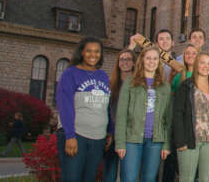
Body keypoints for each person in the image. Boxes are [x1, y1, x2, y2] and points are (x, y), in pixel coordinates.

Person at [56, 37, 113, 182]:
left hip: (98, 138)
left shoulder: (103, 76)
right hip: (77, 135)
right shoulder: (70, 74)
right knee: (71, 178)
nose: (93, 55)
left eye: (97, 51)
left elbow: (106, 107)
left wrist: (109, 132)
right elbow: (65, 105)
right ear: (81, 52)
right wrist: (70, 136)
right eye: (89, 51)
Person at [115, 47, 171, 182]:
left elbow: (167, 119)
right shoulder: (130, 82)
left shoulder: (165, 86)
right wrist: (120, 143)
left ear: (159, 62)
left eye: (155, 59)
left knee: (149, 178)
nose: (151, 61)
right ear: (142, 60)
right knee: (129, 178)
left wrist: (166, 144)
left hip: (155, 141)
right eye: (148, 58)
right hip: (132, 139)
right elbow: (121, 114)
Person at [172, 52, 209, 182]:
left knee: (207, 179)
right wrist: (180, 140)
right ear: (196, 65)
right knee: (187, 178)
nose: (206, 66)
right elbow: (177, 114)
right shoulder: (186, 86)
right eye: (202, 63)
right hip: (190, 140)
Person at [103, 49, 135, 182]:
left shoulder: (138, 84)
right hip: (113, 133)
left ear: (134, 63)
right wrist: (109, 132)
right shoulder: (111, 84)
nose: (125, 62)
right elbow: (106, 109)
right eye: (122, 59)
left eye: (128, 59)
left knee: (127, 174)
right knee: (110, 172)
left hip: (130, 134)